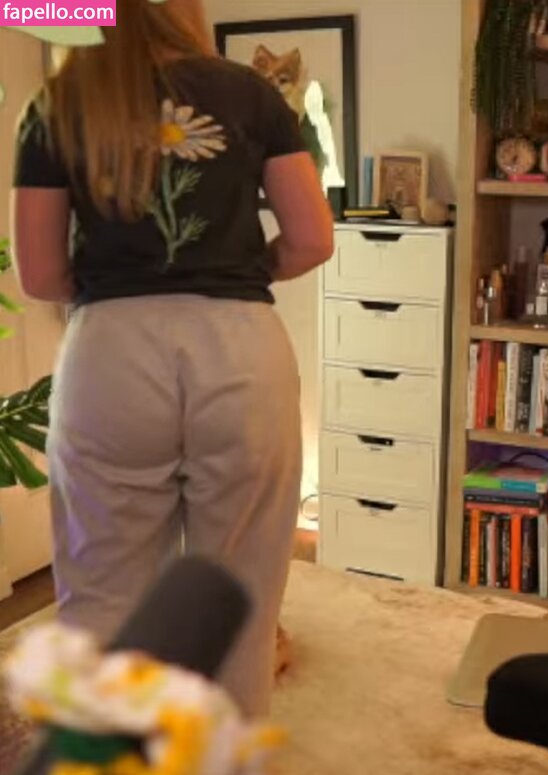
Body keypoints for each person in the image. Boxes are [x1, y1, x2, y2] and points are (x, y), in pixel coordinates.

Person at [10, 0, 333, 717]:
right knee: (237, 596)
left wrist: (126, 286)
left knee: (102, 598)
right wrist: (235, 273)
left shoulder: (58, 102)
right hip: (238, 345)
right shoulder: (251, 94)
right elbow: (312, 239)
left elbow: (40, 274)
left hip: (111, 354)